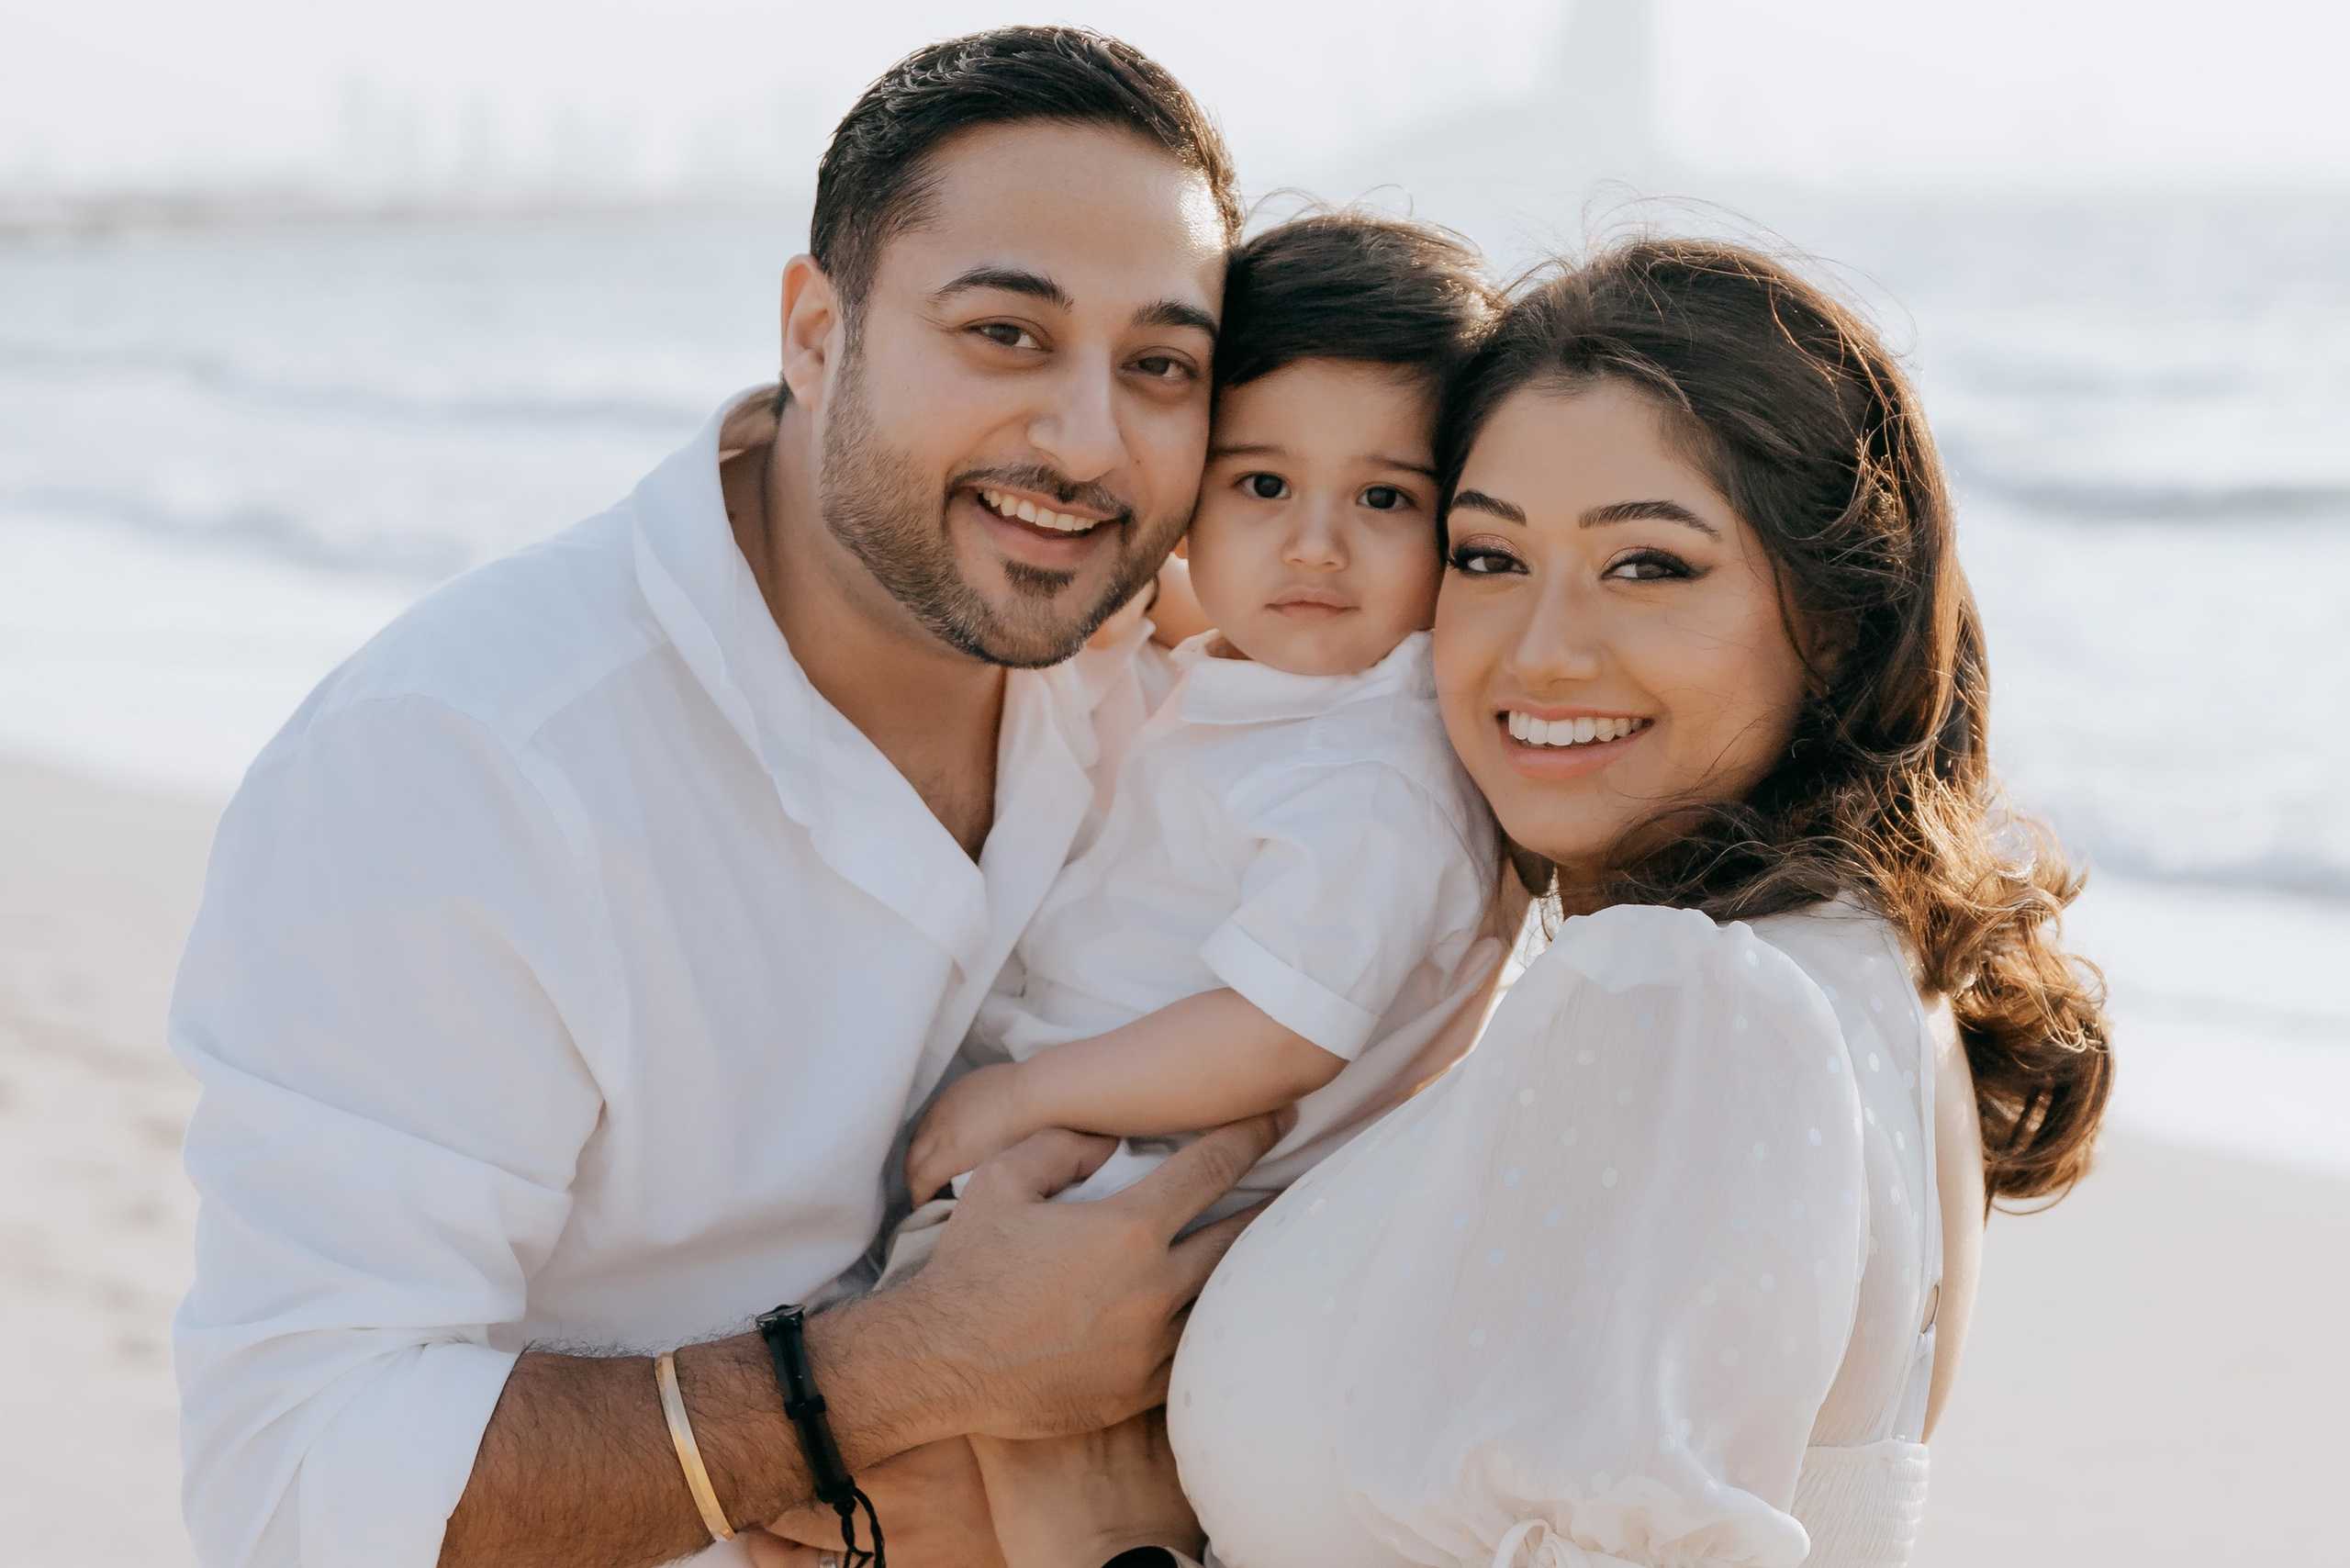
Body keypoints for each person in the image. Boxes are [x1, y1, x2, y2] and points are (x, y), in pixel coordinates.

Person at [168, 28, 1326, 1568]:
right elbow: (294, 1485)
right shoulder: (462, 765)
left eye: (1160, 367)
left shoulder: (1176, 679)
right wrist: (897, 1379)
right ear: (814, 331)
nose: (1088, 440)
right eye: (1004, 333)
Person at [1131, 240, 2109, 1565]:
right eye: (1485, 558)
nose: (1542, 648)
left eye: (1649, 566)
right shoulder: (1863, 973)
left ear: (1834, 615)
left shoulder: (1684, 1001)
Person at [894, 215, 1505, 1233]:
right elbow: (1210, 617)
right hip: (1077, 1121)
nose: (1313, 548)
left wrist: (1025, 1095)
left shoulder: (1378, 779)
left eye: (1384, 497)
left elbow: (1277, 1035)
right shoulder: (1302, 671)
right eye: (1262, 486)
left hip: (1111, 1183)